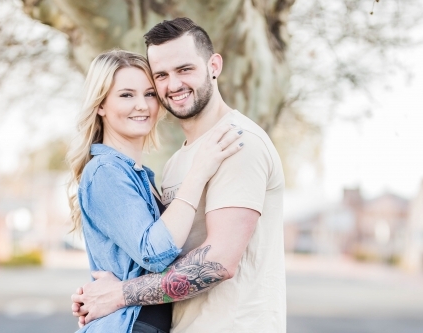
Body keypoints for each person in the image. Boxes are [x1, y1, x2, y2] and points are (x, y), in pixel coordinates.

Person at [71, 17, 287, 333]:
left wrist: (119, 294)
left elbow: (220, 262)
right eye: (161, 75)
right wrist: (97, 296)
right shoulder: (175, 163)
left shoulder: (236, 143)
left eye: (185, 69)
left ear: (214, 65)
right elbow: (154, 250)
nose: (173, 85)